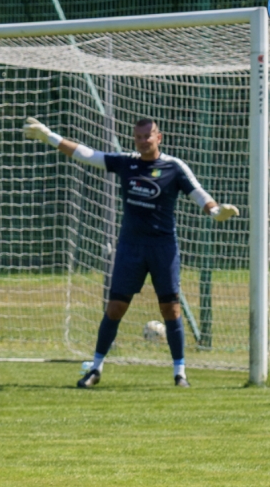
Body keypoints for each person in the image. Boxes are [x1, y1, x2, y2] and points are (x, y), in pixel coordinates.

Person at [23, 117, 240, 388]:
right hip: (130, 248)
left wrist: (216, 212)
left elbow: (198, 193)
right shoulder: (127, 163)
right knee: (115, 308)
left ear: (159, 137)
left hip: (163, 248)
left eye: (148, 136)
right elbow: (87, 155)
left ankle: (180, 373)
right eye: (138, 137)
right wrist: (50, 137)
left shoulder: (173, 167)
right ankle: (95, 369)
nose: (143, 141)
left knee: (170, 309)